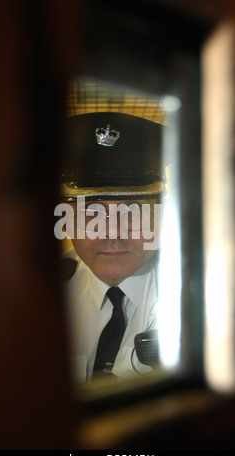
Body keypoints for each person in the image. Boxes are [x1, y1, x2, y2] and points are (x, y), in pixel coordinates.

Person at [57, 111, 167, 384]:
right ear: (66, 220)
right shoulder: (45, 291)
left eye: (132, 209)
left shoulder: (194, 295)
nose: (113, 232)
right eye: (91, 211)